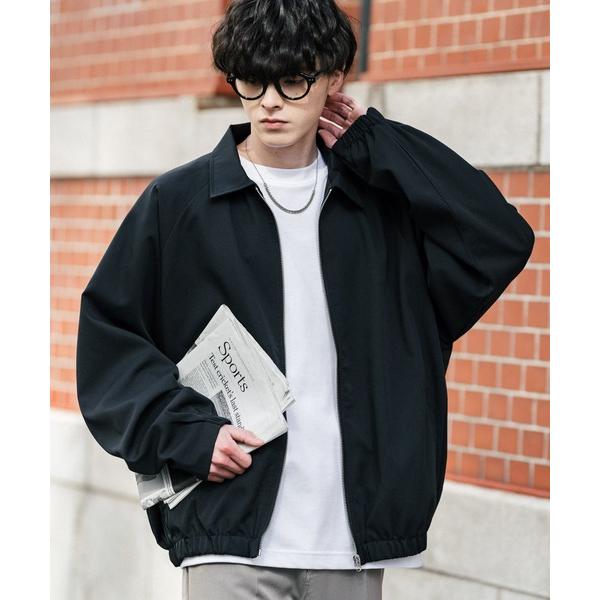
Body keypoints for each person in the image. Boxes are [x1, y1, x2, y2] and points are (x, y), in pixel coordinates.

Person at [75, 1, 535, 599]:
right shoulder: (181, 204)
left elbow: (498, 240)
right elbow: (109, 340)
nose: (270, 102)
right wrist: (186, 435)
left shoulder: (379, 209)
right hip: (229, 533)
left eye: (293, 81)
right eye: (253, 81)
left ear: (333, 78)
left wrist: (381, 144)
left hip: (351, 542)